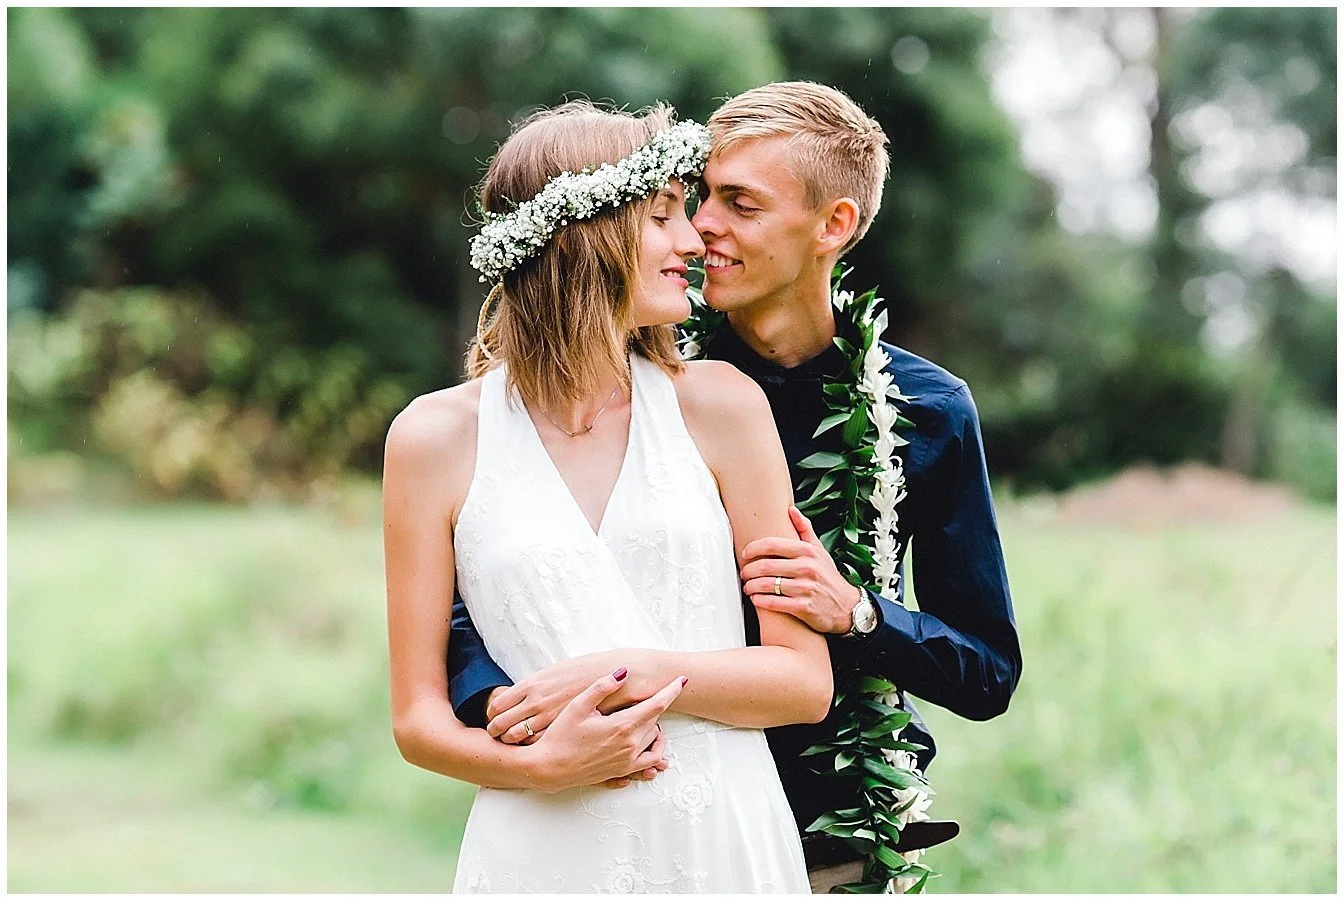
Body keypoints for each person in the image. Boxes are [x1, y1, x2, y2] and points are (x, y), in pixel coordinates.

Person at [447, 82, 1024, 893]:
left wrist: (857, 613)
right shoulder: (633, 376)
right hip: (625, 801)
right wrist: (509, 706)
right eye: (698, 197)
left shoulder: (927, 411)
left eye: (739, 204)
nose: (702, 226)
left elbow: (987, 671)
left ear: (834, 227)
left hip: (832, 833)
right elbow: (499, 553)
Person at [383, 100, 835, 894]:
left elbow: (803, 682)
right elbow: (417, 721)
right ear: (582, 234)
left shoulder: (723, 407)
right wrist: (541, 765)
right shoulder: (431, 439)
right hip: (540, 847)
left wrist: (636, 668)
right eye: (662, 215)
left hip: (722, 841)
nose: (693, 239)